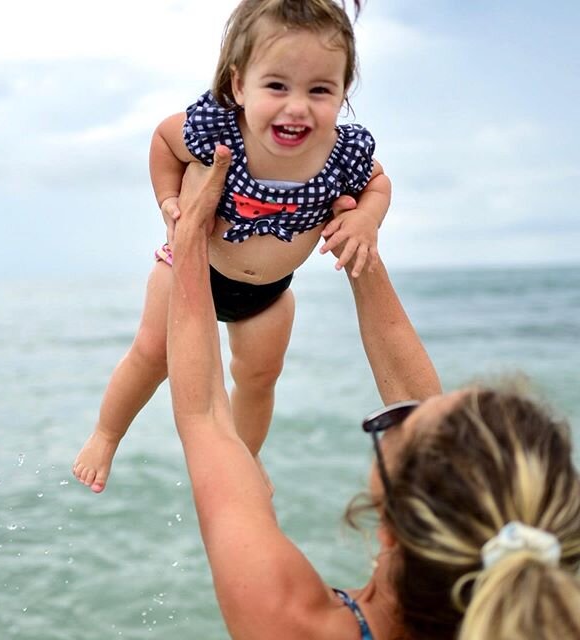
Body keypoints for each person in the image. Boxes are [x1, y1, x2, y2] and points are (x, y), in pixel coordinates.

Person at [167, 147, 580, 639]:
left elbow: (208, 417)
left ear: (387, 527)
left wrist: (191, 227)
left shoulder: (290, 624)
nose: (410, 409)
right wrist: (357, 244)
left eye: (396, 424)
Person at [74, 0, 393, 493]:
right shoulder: (219, 131)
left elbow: (378, 184)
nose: (297, 106)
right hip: (189, 268)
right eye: (277, 86)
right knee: (151, 355)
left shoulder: (342, 153)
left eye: (320, 89)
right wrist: (166, 200)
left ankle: (246, 457)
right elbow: (163, 139)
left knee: (260, 377)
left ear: (343, 91)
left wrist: (367, 220)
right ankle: (105, 435)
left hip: (268, 293)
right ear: (240, 85)